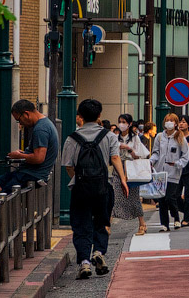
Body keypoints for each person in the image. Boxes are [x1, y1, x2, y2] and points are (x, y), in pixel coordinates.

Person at [60, 98, 120, 279]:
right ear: (99, 115)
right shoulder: (109, 136)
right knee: (101, 223)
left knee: (81, 224)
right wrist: (123, 181)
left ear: (80, 116)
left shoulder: (72, 138)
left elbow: (68, 166)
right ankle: (99, 252)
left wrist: (79, 179)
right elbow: (115, 159)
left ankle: (84, 261)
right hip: (103, 186)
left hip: (80, 189)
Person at [0, 99, 59, 193]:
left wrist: (18, 156)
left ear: (26, 114)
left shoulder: (40, 129)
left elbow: (39, 158)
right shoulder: (45, 124)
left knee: (1, 194)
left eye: (19, 120)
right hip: (29, 172)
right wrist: (24, 154)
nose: (21, 124)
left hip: (32, 174)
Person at [149, 113, 189, 232]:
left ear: (176, 123)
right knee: (161, 198)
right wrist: (151, 161)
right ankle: (164, 224)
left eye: (171, 121)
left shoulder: (180, 137)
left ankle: (176, 217)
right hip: (160, 171)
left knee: (171, 197)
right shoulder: (160, 137)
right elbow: (156, 152)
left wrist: (177, 164)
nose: (169, 123)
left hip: (173, 172)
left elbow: (185, 156)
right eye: (167, 120)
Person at [112, 114, 149, 221]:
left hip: (131, 169)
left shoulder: (135, 138)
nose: (121, 124)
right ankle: (108, 225)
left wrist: (128, 148)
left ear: (130, 124)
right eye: (120, 122)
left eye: (124, 122)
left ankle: (142, 223)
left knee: (134, 197)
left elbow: (139, 155)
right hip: (118, 168)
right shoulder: (114, 138)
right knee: (115, 196)